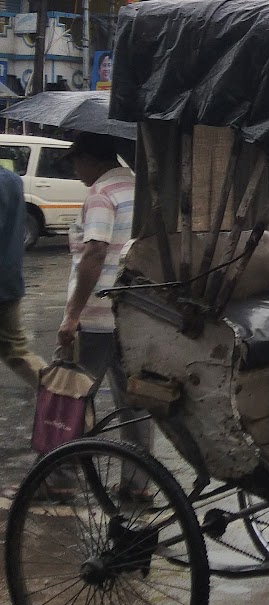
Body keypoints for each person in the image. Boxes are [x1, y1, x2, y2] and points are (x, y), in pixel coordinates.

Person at [57, 133, 153, 479]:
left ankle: (60, 476)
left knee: (73, 396)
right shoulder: (140, 189)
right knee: (135, 402)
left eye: (75, 163)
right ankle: (139, 482)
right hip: (134, 314)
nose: (76, 172)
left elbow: (95, 251)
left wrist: (72, 315)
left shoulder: (101, 194)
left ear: (90, 159)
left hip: (97, 317)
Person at [0, 166, 44, 390]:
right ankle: (64, 403)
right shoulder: (12, 180)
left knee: (16, 352)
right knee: (17, 353)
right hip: (8, 280)